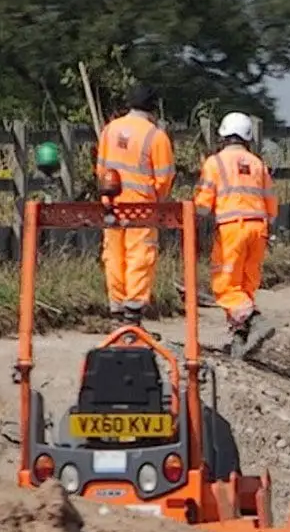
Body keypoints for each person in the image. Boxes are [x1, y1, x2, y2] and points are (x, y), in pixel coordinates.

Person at [195, 111, 279, 352]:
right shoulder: (257, 164)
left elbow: (203, 204)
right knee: (246, 285)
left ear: (223, 136)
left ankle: (255, 321)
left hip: (233, 230)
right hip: (259, 229)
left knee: (226, 285)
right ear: (247, 138)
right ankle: (241, 339)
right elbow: (271, 204)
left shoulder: (215, 162)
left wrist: (191, 216)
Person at [94, 83, 176, 321]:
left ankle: (116, 309)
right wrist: (156, 202)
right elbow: (164, 178)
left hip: (111, 206)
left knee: (113, 256)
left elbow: (101, 170)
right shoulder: (156, 136)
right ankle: (133, 312)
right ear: (153, 108)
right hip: (142, 208)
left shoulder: (109, 130)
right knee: (139, 256)